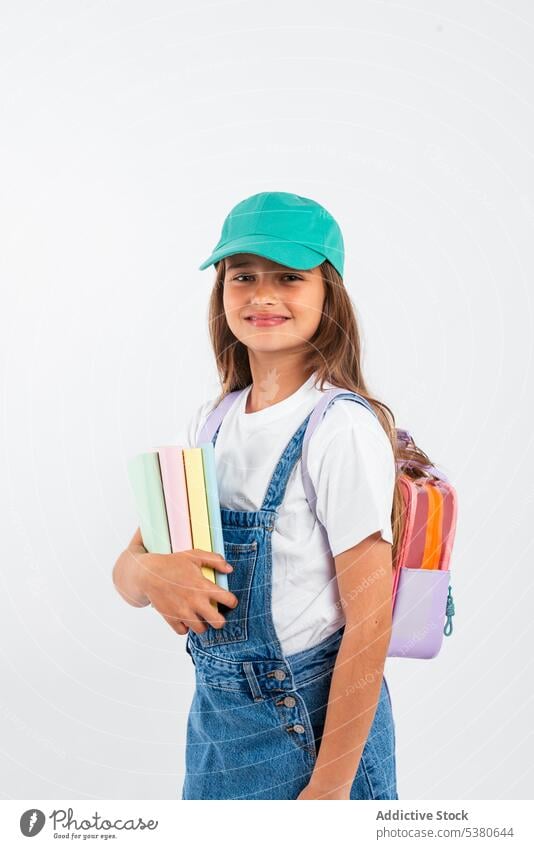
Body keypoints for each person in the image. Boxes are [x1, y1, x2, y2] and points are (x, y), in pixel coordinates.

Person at [113, 191, 416, 800]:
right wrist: (150, 573)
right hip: (218, 729)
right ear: (220, 291)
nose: (262, 294)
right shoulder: (211, 424)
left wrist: (329, 792)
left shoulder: (339, 429)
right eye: (242, 276)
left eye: (289, 277)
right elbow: (126, 575)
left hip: (311, 727)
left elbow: (370, 624)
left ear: (329, 293)